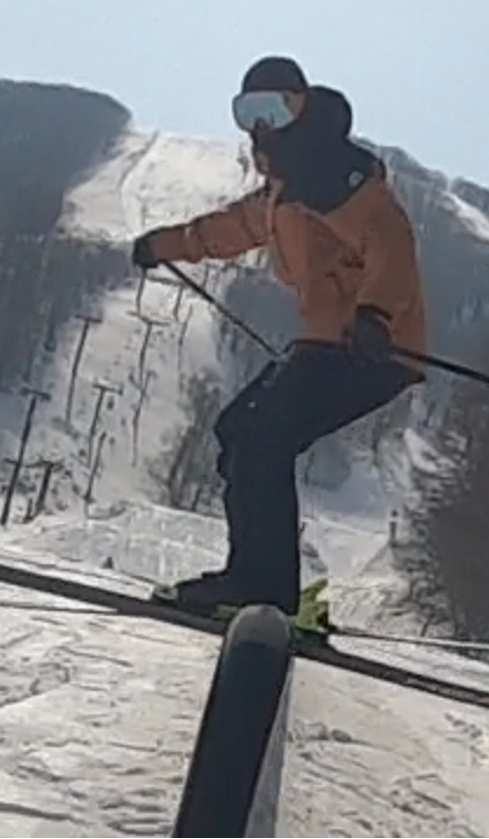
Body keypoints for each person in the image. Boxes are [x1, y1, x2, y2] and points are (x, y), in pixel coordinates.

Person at [131, 56, 427, 615]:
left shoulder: (334, 171)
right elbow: (224, 230)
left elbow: (390, 240)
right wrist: (162, 245)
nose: (260, 124)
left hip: (372, 347)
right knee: (240, 432)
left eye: (273, 108)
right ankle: (255, 581)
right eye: (247, 113)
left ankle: (262, 592)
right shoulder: (281, 194)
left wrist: (376, 315)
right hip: (325, 343)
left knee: (263, 440)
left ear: (301, 106)